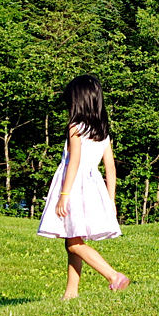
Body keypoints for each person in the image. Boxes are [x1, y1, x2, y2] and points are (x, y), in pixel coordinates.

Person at [37, 75, 129, 298]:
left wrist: (64, 194)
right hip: (93, 188)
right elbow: (111, 168)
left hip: (75, 187)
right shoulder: (102, 132)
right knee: (73, 239)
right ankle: (71, 292)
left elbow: (74, 161)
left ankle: (113, 275)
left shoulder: (75, 128)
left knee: (74, 243)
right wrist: (110, 200)